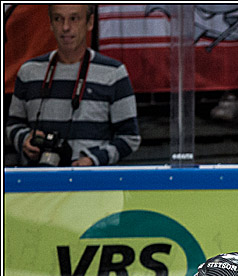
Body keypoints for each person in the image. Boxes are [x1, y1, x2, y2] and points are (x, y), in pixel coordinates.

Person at [6, 4, 140, 166]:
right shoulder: (29, 72)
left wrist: (94, 159)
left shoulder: (114, 73)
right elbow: (13, 125)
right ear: (50, 23)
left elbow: (130, 137)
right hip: (39, 182)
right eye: (58, 19)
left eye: (74, 19)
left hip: (92, 184)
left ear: (90, 22)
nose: (66, 27)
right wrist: (24, 139)